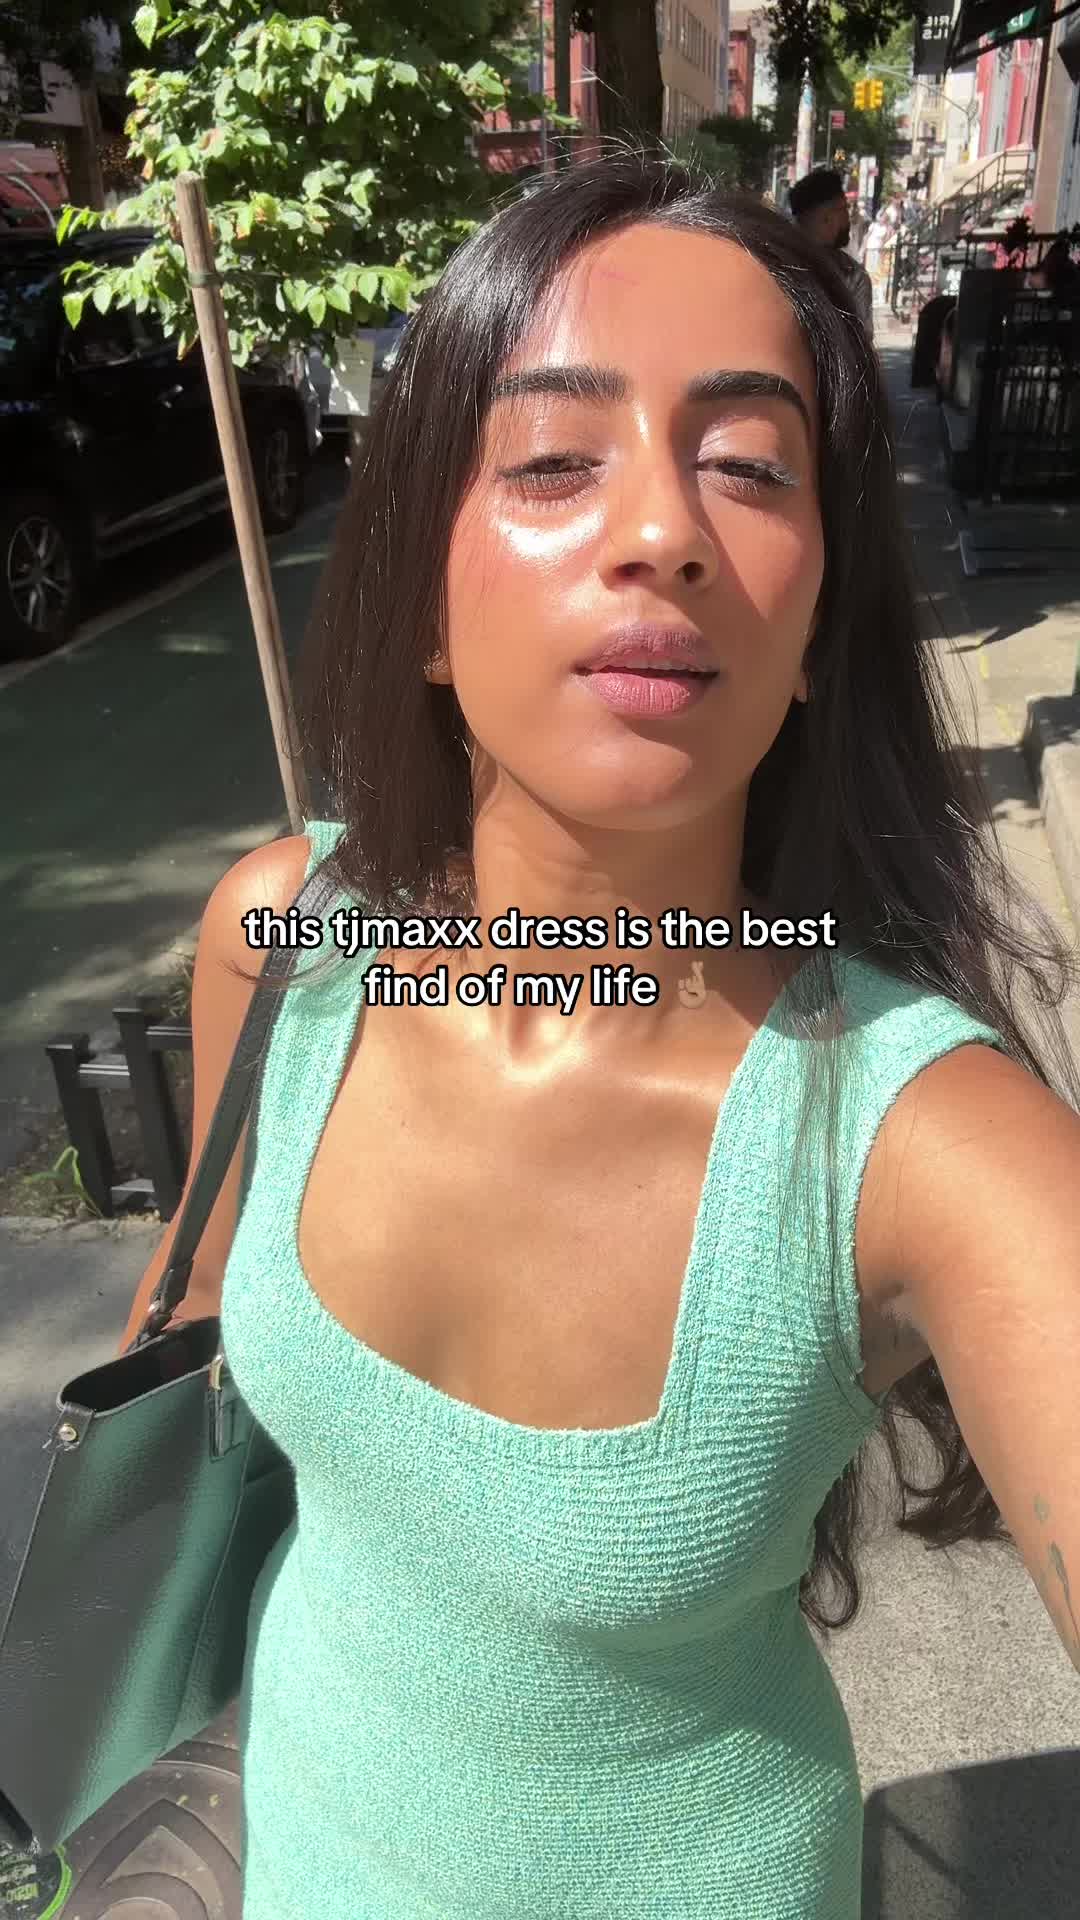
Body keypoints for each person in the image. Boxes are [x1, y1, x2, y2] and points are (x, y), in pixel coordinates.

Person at [123, 150, 1080, 1919]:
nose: (662, 530)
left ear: (813, 631)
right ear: (422, 600)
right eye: (556, 458)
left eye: (750, 466)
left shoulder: (922, 1141)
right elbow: (177, 1339)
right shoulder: (285, 939)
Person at [789, 166, 875, 339]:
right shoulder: (852, 275)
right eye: (844, 209)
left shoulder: (768, 260)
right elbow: (861, 343)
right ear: (827, 217)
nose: (848, 218)